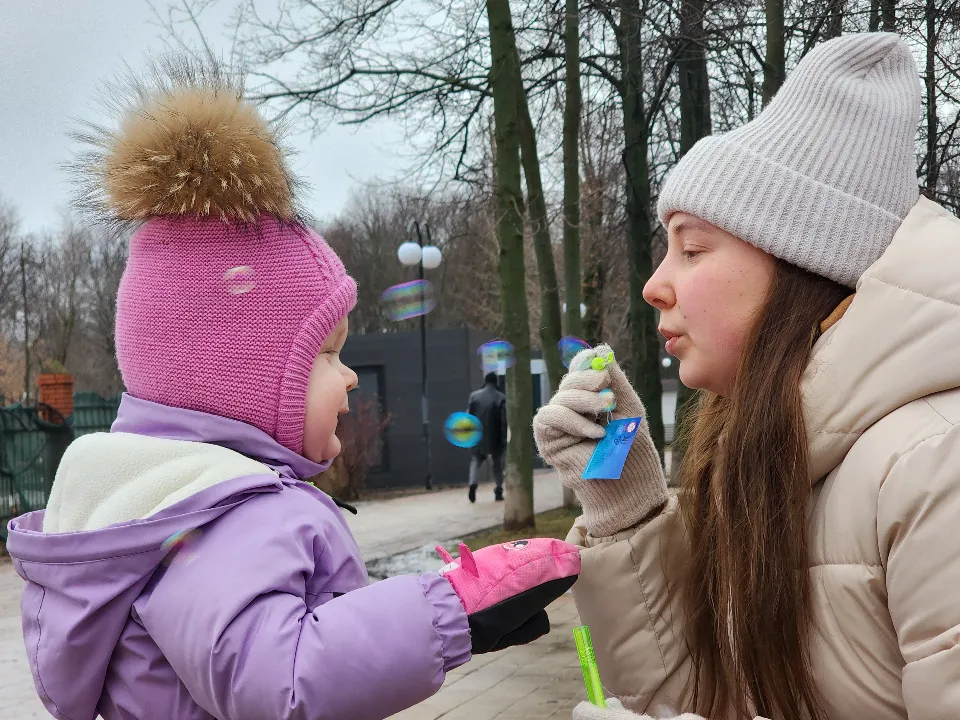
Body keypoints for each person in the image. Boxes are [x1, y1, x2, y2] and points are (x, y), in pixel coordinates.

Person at [5, 57, 579, 720]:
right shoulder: (224, 517)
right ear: (238, 383)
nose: (349, 376)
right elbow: (281, 681)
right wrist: (451, 610)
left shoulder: (179, 506)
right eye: (326, 355)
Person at [534, 33, 960, 720]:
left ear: (802, 264)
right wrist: (625, 505)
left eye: (692, 247)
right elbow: (710, 701)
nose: (654, 286)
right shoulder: (765, 454)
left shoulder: (936, 465)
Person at [466, 371, 507, 502]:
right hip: (495, 436)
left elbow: (467, 417)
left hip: (477, 435)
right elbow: (504, 420)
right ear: (496, 382)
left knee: (476, 461)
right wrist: (504, 438)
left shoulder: (474, 396)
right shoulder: (501, 397)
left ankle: (473, 483)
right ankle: (499, 490)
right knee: (497, 464)